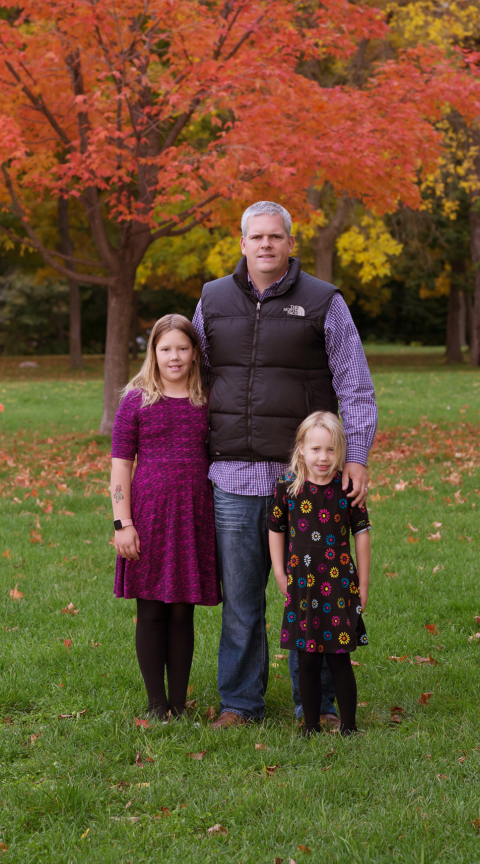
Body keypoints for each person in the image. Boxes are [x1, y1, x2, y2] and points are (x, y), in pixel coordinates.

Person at [192, 200, 377, 728]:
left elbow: (355, 385)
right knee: (243, 602)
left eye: (277, 236)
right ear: (242, 242)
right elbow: (191, 374)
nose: (266, 245)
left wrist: (357, 456)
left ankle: (313, 705)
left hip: (304, 482)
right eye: (257, 237)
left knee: (311, 594)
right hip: (232, 477)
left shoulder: (323, 301)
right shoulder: (213, 298)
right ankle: (240, 703)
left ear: (290, 243)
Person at [111, 313, 221, 721]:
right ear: (153, 354)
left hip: (194, 516)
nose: (174, 357)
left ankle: (179, 700)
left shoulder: (208, 400)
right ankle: (157, 705)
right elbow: (121, 465)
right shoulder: (136, 400)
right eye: (165, 349)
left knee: (182, 610)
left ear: (195, 354)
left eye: (182, 348)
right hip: (149, 516)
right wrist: (122, 522)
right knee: (153, 610)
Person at [269, 411, 371, 736]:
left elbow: (362, 535)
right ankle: (310, 724)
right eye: (316, 449)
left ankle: (349, 725)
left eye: (330, 450)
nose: (323, 458)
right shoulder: (288, 487)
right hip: (303, 586)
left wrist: (363, 584)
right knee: (307, 660)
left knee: (339, 658)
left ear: (339, 451)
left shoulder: (347, 489)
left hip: (339, 585)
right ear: (301, 449)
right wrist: (279, 573)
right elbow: (276, 529)